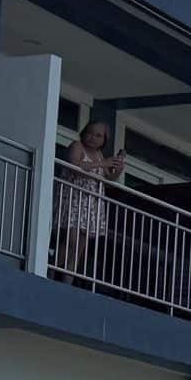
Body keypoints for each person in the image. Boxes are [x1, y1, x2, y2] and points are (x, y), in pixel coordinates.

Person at [56, 120, 125, 285]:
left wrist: (117, 170)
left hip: (91, 205)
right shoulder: (77, 146)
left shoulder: (99, 155)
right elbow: (74, 165)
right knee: (71, 241)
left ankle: (66, 282)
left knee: (79, 248)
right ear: (83, 132)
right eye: (90, 132)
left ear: (104, 140)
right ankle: (50, 272)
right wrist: (103, 163)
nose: (93, 137)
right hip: (74, 198)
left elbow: (108, 180)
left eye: (98, 135)